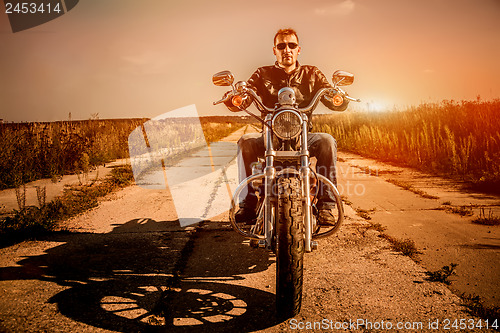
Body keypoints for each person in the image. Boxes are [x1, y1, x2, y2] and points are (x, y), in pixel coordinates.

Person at [228, 28, 349, 225]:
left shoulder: (312, 74)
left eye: (291, 45)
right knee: (245, 141)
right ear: (274, 50)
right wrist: (238, 96)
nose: (287, 50)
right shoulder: (262, 74)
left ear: (298, 49)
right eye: (281, 46)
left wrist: (337, 98)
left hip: (303, 137)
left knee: (327, 141)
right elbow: (247, 92)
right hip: (270, 137)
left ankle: (326, 205)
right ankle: (247, 204)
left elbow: (329, 94)